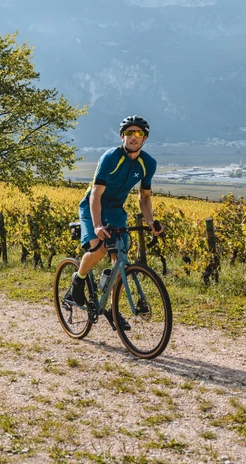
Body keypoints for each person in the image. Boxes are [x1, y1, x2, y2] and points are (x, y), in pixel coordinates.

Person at [70, 115, 164, 330]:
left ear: (145, 138)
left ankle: (113, 309)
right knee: (101, 249)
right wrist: (97, 225)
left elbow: (145, 196)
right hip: (92, 206)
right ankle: (79, 277)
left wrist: (150, 221)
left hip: (116, 211)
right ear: (122, 136)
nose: (133, 137)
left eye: (138, 133)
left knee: (119, 258)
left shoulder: (148, 163)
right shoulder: (111, 158)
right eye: (129, 133)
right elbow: (96, 193)